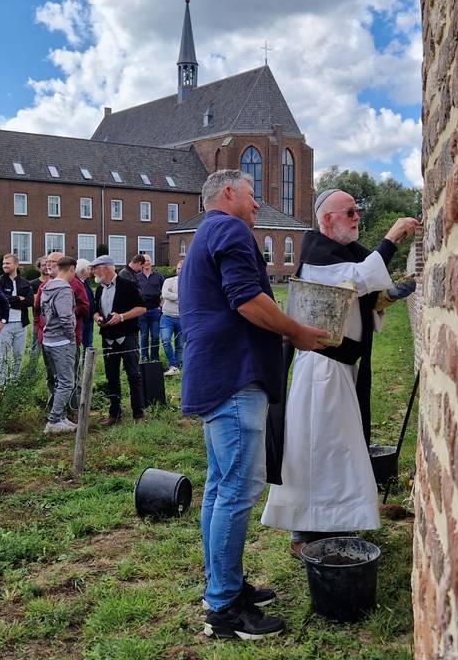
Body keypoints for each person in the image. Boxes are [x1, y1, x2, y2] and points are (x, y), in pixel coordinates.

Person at [179, 169, 327, 640]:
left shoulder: (208, 232)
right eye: (250, 194)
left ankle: (222, 587)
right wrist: (297, 332)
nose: (256, 204)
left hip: (216, 375)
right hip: (234, 375)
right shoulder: (229, 228)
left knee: (220, 487)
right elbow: (246, 300)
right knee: (237, 490)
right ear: (227, 194)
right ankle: (224, 610)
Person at [261, 189, 419, 556]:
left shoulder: (341, 255)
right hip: (321, 372)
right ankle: (303, 536)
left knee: (337, 451)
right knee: (316, 451)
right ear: (327, 219)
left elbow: (357, 294)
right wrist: (392, 238)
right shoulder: (317, 254)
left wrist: (386, 297)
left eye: (357, 210)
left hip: (337, 371)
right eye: (349, 211)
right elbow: (357, 280)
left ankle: (333, 526)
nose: (356, 216)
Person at [90, 255, 146, 424]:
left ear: (107, 268)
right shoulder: (99, 289)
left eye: (96, 268)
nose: (93, 272)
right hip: (108, 337)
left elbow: (142, 308)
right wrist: (97, 318)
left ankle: (138, 414)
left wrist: (121, 317)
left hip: (127, 336)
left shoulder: (127, 285)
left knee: (133, 375)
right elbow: (94, 310)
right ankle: (114, 414)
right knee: (111, 377)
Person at [39, 256, 79, 435]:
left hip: (48, 338)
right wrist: (71, 337)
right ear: (71, 268)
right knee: (66, 382)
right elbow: (65, 316)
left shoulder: (47, 286)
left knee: (57, 381)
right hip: (61, 340)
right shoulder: (63, 289)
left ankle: (61, 416)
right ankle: (54, 420)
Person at [0, 253, 32, 384]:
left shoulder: (25, 282)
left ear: (16, 264)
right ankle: (2, 385)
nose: (4, 265)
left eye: (8, 263)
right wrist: (17, 299)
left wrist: (10, 301)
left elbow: (30, 301)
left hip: (21, 324)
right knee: (3, 356)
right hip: (4, 324)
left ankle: (14, 383)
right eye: (3, 263)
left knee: (18, 356)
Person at [135, 254, 165, 363]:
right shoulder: (137, 277)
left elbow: (164, 293)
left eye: (148, 260)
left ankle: (154, 358)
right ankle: (144, 357)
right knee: (143, 336)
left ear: (151, 262)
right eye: (144, 260)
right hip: (142, 311)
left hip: (155, 311)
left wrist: (160, 306)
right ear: (141, 263)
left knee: (155, 336)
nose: (146, 262)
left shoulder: (159, 276)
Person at [160, 258, 184, 376]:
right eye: (179, 268)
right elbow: (165, 294)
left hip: (182, 317)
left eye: (183, 268)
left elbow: (190, 298)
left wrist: (172, 296)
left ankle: (177, 368)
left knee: (180, 345)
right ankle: (173, 365)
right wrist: (181, 297)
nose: (180, 270)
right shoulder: (168, 281)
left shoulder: (191, 282)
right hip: (167, 316)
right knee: (165, 340)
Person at [75, 259, 96, 356]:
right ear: (82, 270)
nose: (90, 272)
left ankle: (86, 368)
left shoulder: (85, 282)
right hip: (80, 319)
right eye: (88, 269)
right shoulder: (75, 283)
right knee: (77, 344)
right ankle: (77, 369)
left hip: (88, 319)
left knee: (88, 345)